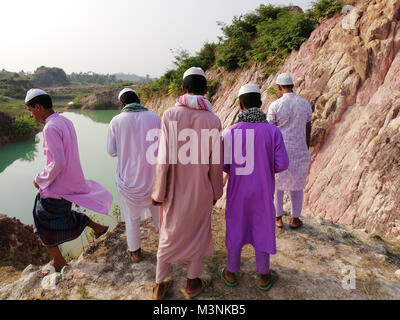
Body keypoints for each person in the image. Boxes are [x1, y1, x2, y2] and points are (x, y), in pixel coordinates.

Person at [151, 67, 223, 300]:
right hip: (201, 190)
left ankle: (159, 285)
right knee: (198, 234)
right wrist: (216, 191)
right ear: (205, 91)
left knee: (168, 234)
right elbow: (216, 163)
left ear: (183, 89)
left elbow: (163, 159)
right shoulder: (213, 119)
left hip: (173, 189)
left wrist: (158, 192)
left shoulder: (170, 115)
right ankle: (192, 283)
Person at [26, 89, 112, 276]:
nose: (31, 115)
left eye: (30, 110)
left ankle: (58, 260)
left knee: (40, 222)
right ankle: (99, 228)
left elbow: (58, 162)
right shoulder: (65, 121)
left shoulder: (49, 128)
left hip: (58, 185)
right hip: (72, 182)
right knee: (62, 214)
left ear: (38, 107)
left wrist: (39, 179)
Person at [221, 84, 289, 291]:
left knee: (235, 227)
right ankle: (263, 276)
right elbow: (282, 164)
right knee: (262, 228)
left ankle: (231, 272)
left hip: (237, 193)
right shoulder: (272, 131)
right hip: (262, 192)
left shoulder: (230, 131)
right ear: (260, 104)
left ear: (240, 104)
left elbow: (223, 165)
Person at [107, 88, 161, 262]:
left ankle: (135, 252)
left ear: (122, 104)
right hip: (154, 179)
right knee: (160, 216)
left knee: (131, 219)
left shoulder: (116, 121)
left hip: (128, 180)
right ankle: (167, 249)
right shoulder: (155, 118)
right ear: (138, 100)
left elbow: (111, 151)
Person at [267, 73, 313, 229]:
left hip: (280, 151)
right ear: (292, 86)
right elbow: (308, 126)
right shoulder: (304, 104)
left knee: (277, 186)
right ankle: (295, 219)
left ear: (279, 87)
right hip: (300, 150)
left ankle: (278, 218)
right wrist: (306, 146)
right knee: (297, 186)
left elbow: (270, 130)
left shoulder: (275, 106)